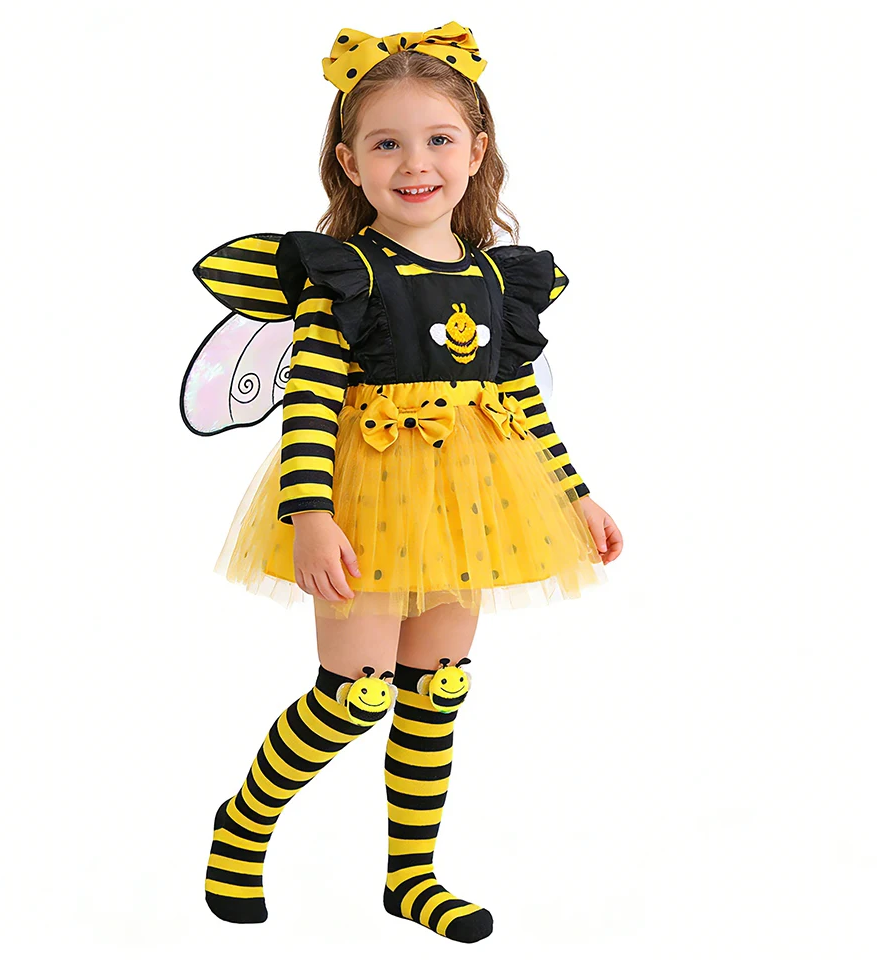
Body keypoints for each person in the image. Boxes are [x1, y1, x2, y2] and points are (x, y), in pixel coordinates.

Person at [181, 20, 623, 944]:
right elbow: (309, 402)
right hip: (365, 503)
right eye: (386, 143)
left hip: (471, 506)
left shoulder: (500, 279)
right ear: (349, 162)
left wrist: (573, 492)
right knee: (355, 690)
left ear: (477, 150)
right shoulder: (341, 277)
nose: (415, 163)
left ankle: (411, 875)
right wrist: (309, 512)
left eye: (438, 139)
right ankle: (243, 825)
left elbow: (518, 401)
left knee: (437, 689)